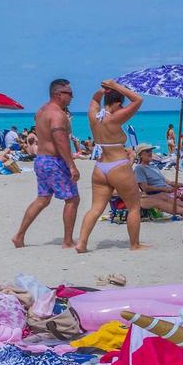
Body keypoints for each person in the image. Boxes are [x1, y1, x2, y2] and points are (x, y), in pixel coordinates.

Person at [75, 80, 146, 253]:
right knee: (134, 207)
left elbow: (94, 99)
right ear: (116, 103)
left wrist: (103, 91)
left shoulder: (94, 115)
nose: (122, 107)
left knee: (96, 208)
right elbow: (138, 100)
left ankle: (82, 243)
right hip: (118, 166)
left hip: (100, 167)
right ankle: (134, 245)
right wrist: (115, 86)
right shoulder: (114, 118)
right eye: (120, 104)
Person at [12, 79, 80, 248]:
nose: (72, 97)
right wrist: (71, 165)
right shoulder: (57, 114)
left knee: (43, 199)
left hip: (41, 160)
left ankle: (19, 236)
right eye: (69, 94)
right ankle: (68, 241)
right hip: (54, 161)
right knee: (72, 199)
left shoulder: (41, 111)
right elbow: (61, 141)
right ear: (58, 94)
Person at [132, 143, 183, 217]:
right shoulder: (140, 168)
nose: (150, 153)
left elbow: (168, 182)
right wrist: (164, 189)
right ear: (140, 155)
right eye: (147, 151)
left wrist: (182, 184)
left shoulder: (154, 167)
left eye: (151, 151)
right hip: (159, 193)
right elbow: (145, 188)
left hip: (167, 190)